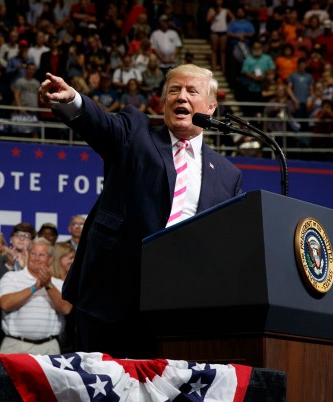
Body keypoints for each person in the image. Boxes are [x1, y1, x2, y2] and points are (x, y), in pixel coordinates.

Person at [39, 64, 243, 357]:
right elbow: (100, 124)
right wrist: (72, 100)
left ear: (211, 107)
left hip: (180, 309)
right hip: (112, 298)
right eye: (174, 90)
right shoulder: (136, 132)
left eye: (191, 91)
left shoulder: (227, 175)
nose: (181, 96)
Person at [0, 238, 72, 354]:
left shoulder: (58, 284)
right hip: (15, 345)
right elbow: (5, 304)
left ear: (50, 259)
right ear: (28, 255)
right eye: (33, 254)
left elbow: (66, 309)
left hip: (49, 347)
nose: (36, 258)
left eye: (42, 255)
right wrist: (34, 287)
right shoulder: (11, 277)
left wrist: (48, 285)